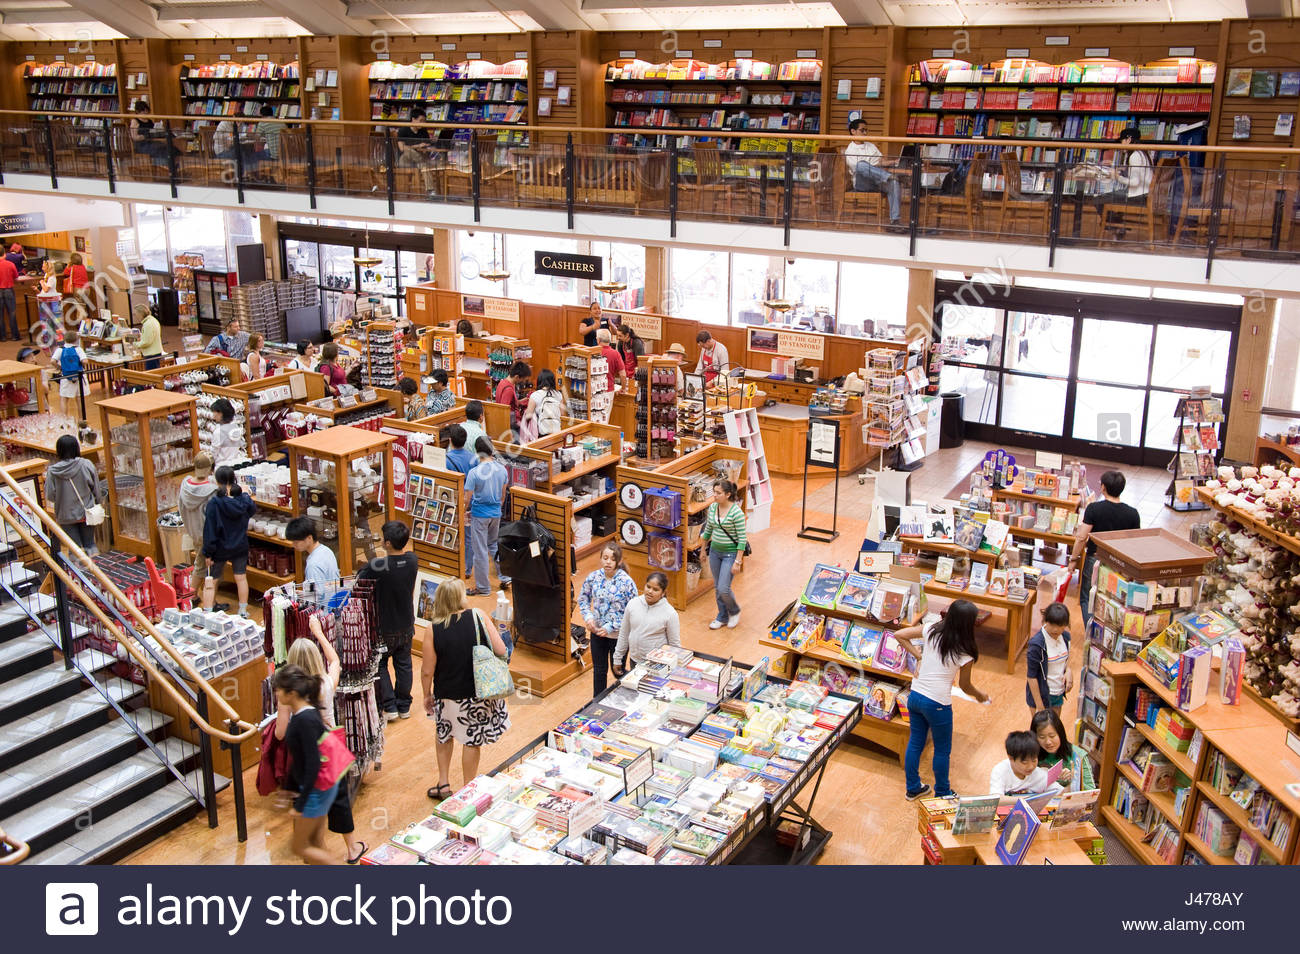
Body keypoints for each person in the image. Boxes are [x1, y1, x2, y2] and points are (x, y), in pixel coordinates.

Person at [278, 629, 367, 864]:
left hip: (311, 759)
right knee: (340, 802)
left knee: (313, 814)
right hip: (333, 747)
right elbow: (335, 660)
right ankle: (351, 848)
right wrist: (319, 632)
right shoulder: (327, 682)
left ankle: (319, 852)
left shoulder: (292, 699)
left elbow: (279, 733)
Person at [420, 578, 510, 800]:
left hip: (447, 695)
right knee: (472, 741)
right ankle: (469, 790)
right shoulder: (478, 616)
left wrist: (426, 694)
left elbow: (427, 670)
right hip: (477, 693)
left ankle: (443, 784)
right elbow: (501, 649)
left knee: (444, 735)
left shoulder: (433, 629)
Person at [895, 600, 990, 800]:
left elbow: (900, 635)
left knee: (915, 742)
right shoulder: (965, 650)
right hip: (937, 703)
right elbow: (965, 686)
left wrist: (919, 656)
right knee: (942, 750)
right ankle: (943, 792)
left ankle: (913, 788)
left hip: (915, 695)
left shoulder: (931, 629)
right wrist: (980, 695)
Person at [272, 664, 338, 865]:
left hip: (316, 791)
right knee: (314, 842)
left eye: (279, 690)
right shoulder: (307, 713)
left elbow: (312, 763)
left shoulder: (304, 720)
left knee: (299, 846)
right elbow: (300, 758)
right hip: (317, 788)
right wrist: (289, 788)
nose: (276, 694)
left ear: (291, 693)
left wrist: (299, 805)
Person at [358, 521, 420, 722]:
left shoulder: (378, 565)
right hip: (406, 624)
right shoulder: (412, 560)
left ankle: (389, 706)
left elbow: (360, 580)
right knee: (404, 665)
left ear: (387, 543)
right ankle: (404, 706)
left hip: (384, 626)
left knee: (381, 665)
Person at [1070, 470, 1140, 623]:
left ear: (1103, 487)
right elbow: (1134, 543)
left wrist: (1073, 559)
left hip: (1095, 560)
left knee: (1088, 598)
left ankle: (1090, 634)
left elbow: (1082, 537)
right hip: (1119, 564)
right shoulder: (1133, 514)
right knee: (1113, 600)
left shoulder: (1094, 509)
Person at [578, 542, 639, 696]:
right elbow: (583, 599)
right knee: (599, 671)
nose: (608, 562)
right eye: (605, 558)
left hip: (618, 636)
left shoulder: (627, 582)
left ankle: (631, 696)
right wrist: (588, 617)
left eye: (612, 559)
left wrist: (611, 627)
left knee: (616, 669)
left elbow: (633, 611)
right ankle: (597, 703)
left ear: (618, 561)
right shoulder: (593, 577)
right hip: (597, 632)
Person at [201, 465, 257, 617]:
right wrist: (246, 494)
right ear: (234, 479)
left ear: (217, 481)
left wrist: (208, 552)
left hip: (219, 547)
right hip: (240, 545)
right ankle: (243, 610)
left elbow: (210, 530)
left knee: (211, 580)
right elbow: (252, 508)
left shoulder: (214, 503)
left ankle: (208, 612)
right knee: (241, 577)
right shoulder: (242, 501)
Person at [464, 436, 508, 596]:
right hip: (496, 513)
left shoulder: (474, 473)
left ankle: (483, 588)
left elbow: (467, 498)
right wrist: (497, 509)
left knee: (480, 550)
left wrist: (463, 513)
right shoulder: (502, 470)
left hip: (480, 515)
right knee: (494, 545)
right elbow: (503, 495)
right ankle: (504, 576)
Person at [612, 572, 680, 677]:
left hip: (657, 666)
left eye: (655, 589)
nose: (650, 591)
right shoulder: (633, 604)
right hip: (634, 661)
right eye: (648, 587)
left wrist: (676, 670)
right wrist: (617, 658)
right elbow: (624, 634)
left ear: (663, 593)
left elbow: (674, 645)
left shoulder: (670, 613)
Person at [44, 434, 102, 554]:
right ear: (76, 448)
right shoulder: (86, 464)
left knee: (74, 549)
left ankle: (77, 572)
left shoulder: (53, 471)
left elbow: (50, 495)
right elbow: (96, 488)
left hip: (65, 516)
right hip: (87, 512)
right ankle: (94, 571)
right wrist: (98, 503)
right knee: (90, 544)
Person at [701, 479, 746, 630]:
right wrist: (702, 550)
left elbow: (742, 539)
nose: (714, 495)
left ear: (727, 494)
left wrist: (738, 561)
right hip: (714, 552)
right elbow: (707, 530)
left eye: (718, 493)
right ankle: (722, 616)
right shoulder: (713, 507)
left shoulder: (737, 513)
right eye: (714, 492)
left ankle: (734, 611)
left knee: (723, 588)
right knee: (718, 587)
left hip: (730, 554)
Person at [844, 118, 902, 227]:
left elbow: (881, 162)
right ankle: (889, 177)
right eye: (862, 130)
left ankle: (895, 221)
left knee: (894, 184)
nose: (865, 133)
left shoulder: (870, 146)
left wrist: (894, 162)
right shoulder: (850, 150)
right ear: (853, 131)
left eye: (866, 130)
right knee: (861, 165)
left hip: (877, 180)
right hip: (861, 183)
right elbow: (857, 169)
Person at [179, 452, 218, 598]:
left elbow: (181, 508)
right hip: (206, 534)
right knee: (202, 564)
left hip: (192, 530)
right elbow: (213, 516)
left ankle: (193, 595)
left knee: (199, 560)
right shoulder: (211, 491)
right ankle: (191, 596)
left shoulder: (185, 484)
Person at [1025, 601, 1072, 712]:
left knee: (1054, 728)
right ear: (1046, 621)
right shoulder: (1037, 644)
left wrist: (1068, 673)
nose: (1056, 629)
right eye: (1052, 625)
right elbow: (1031, 677)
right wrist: (1039, 705)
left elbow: (1065, 663)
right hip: (1041, 695)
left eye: (1060, 626)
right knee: (1040, 729)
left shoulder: (1065, 638)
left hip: (1058, 693)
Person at [989, 731, 1060, 797]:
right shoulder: (1000, 770)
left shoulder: (1039, 774)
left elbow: (1060, 792)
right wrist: (1027, 799)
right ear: (1011, 758)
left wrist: (1069, 780)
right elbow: (996, 799)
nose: (1031, 766)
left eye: (1034, 760)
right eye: (1024, 762)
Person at [1098, 126, 1151, 209]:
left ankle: (1114, 220)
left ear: (1129, 140)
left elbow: (1134, 182)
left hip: (1137, 196)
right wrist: (1115, 165)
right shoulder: (1143, 153)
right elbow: (1135, 171)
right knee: (1107, 196)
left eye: (1121, 141)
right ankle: (1116, 219)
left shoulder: (1134, 156)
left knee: (1098, 199)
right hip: (1144, 194)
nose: (1120, 145)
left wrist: (1117, 177)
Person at [286, 515, 340, 585]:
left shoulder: (313, 565)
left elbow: (317, 594)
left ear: (309, 538)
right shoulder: (326, 550)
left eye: (296, 542)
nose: (293, 545)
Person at [396, 107, 439, 194]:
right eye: (421, 120)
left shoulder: (423, 131)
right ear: (413, 119)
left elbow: (427, 145)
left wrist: (426, 147)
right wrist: (417, 146)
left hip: (419, 161)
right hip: (405, 161)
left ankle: (431, 191)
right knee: (408, 151)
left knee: (423, 165)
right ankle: (431, 191)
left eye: (424, 121)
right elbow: (402, 148)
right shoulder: (403, 130)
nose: (423, 123)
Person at [51, 330, 87, 416]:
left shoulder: (60, 350)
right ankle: (82, 420)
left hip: (66, 376)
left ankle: (64, 420)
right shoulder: (78, 349)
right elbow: (85, 361)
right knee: (79, 399)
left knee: (64, 399)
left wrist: (60, 368)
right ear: (76, 339)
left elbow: (52, 361)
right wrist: (82, 366)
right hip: (79, 376)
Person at [521, 367, 564, 440]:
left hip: (541, 432)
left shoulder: (535, 395)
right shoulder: (558, 394)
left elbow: (528, 416)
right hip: (556, 430)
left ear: (539, 380)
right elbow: (562, 415)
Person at [494, 361, 530, 431]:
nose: (522, 381)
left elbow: (512, 403)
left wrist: (526, 399)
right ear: (517, 377)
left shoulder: (503, 382)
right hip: (511, 425)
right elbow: (504, 409)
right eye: (522, 379)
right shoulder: (509, 390)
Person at [209, 398, 244, 468]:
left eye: (214, 412)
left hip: (221, 468)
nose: (213, 415)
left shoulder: (218, 432)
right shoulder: (236, 427)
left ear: (220, 413)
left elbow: (213, 454)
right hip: (235, 465)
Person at [14, 347, 42, 415]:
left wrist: (39, 380)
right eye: (29, 356)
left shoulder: (41, 371)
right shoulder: (17, 374)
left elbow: (46, 390)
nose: (33, 358)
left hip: (39, 406)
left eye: (33, 356)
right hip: (23, 408)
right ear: (22, 360)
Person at [136, 303, 164, 370]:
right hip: (155, 352)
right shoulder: (153, 320)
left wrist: (136, 344)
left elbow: (146, 342)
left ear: (140, 314)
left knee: (152, 375)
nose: (136, 316)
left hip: (151, 354)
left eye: (136, 313)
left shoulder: (148, 324)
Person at [0, 248, 19, 342]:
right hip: (8, 290)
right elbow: (16, 276)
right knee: (11, 314)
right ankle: (14, 336)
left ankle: (2, 337)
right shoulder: (10, 264)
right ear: (4, 254)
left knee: (0, 315)